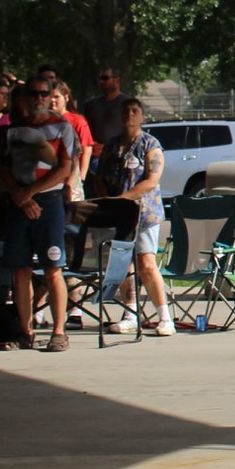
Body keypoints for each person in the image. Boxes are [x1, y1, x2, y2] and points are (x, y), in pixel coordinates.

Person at [0, 80, 78, 352]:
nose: (38, 98)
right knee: (20, 269)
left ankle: (59, 331)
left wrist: (30, 193)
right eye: (33, 93)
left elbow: (64, 168)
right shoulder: (13, 131)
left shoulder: (62, 127)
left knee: (53, 268)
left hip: (49, 201)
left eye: (44, 93)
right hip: (18, 203)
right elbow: (4, 169)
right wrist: (20, 197)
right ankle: (25, 330)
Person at [98, 97, 174, 336]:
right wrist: (108, 202)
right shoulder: (112, 146)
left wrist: (125, 198)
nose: (129, 115)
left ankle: (165, 317)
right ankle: (130, 313)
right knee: (123, 266)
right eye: (126, 111)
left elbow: (152, 180)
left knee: (146, 264)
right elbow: (98, 177)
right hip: (117, 216)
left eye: (134, 111)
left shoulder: (150, 144)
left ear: (142, 116)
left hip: (144, 214)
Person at [81, 66, 130, 177]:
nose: (101, 82)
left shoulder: (128, 104)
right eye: (99, 78)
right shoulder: (91, 105)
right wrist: (91, 146)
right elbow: (84, 131)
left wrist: (109, 148)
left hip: (119, 160)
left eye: (105, 78)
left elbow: (134, 133)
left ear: (117, 80)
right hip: (93, 160)